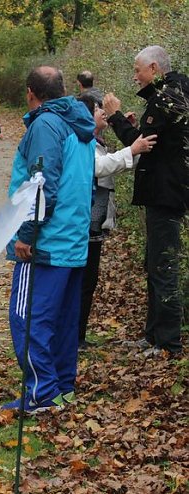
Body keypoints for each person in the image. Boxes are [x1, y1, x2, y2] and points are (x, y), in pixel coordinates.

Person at [3, 66, 95, 412]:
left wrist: (27, 233)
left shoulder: (46, 124)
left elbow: (43, 184)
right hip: (72, 239)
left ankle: (41, 393)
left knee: (28, 318)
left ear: (31, 92)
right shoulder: (80, 122)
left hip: (46, 242)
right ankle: (60, 388)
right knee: (62, 320)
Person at [103, 46, 189, 355]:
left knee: (163, 267)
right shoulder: (176, 90)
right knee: (155, 265)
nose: (135, 76)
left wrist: (114, 117)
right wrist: (134, 126)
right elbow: (155, 139)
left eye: (138, 70)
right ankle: (153, 336)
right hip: (169, 190)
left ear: (153, 68)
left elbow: (142, 146)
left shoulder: (166, 98)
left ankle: (168, 344)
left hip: (166, 194)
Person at [76, 93, 157, 348]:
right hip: (85, 222)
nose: (102, 111)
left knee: (89, 280)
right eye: (98, 108)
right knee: (84, 280)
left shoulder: (95, 140)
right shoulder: (81, 141)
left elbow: (120, 163)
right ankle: (74, 337)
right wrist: (131, 148)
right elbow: (98, 167)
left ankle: (77, 336)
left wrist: (126, 130)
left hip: (94, 222)